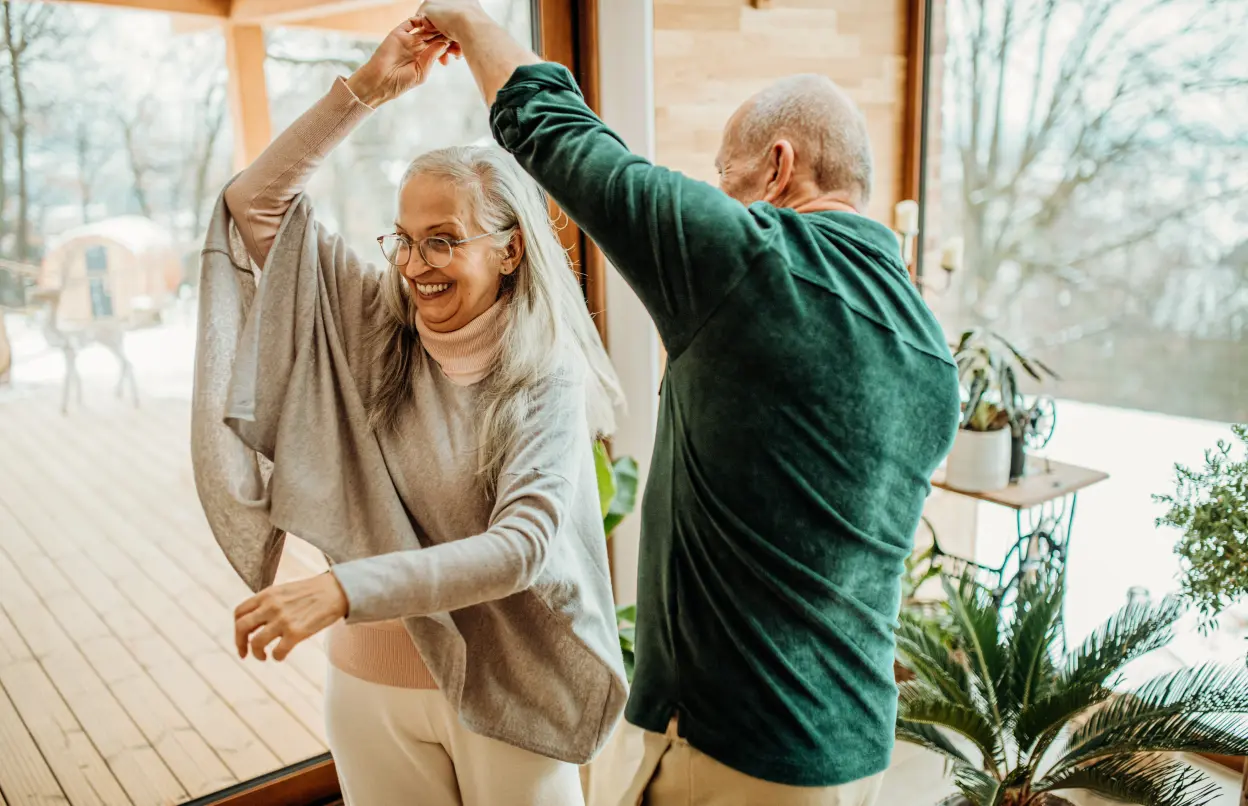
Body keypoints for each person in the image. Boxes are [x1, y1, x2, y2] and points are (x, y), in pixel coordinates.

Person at [415, 3, 963, 804]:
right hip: (853, 756)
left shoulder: (749, 261)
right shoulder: (929, 352)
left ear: (778, 167)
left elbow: (557, 132)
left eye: (724, 174)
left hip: (735, 755)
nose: (720, 193)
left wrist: (466, 20)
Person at [202, 19, 627, 806]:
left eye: (442, 241)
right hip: (370, 688)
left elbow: (523, 546)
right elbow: (254, 204)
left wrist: (341, 589)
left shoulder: (545, 377)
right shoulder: (375, 318)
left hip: (511, 688)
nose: (414, 266)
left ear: (508, 250)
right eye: (403, 239)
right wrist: (367, 88)